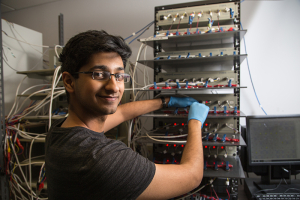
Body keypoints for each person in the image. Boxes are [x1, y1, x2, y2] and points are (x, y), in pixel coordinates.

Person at [45, 30, 209, 200]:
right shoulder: (101, 158)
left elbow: (122, 113)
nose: (114, 87)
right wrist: (195, 122)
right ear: (69, 81)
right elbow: (192, 176)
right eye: (99, 74)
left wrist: (166, 101)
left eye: (119, 75)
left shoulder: (59, 133)